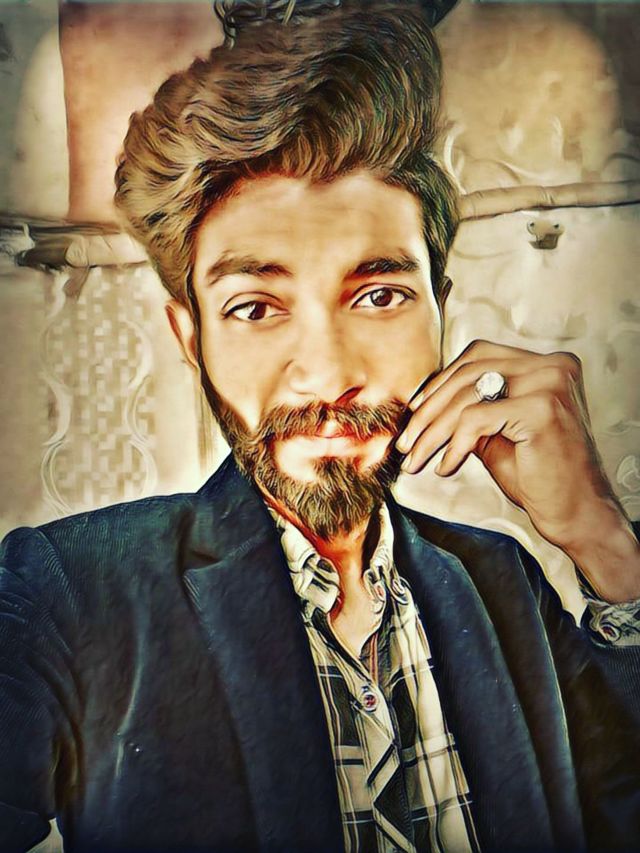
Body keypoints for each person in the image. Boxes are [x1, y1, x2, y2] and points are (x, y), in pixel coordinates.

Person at [1, 1, 639, 851]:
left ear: (441, 310)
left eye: (379, 295)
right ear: (192, 338)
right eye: (255, 307)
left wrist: (606, 543)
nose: (329, 373)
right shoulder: (69, 590)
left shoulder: (503, 581)